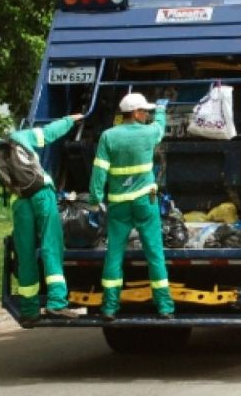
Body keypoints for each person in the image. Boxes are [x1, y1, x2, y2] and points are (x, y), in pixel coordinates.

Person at [0, 114, 84, 327]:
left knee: (25, 254)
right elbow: (50, 133)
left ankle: (30, 311)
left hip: (20, 203)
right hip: (42, 194)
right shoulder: (18, 137)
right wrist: (70, 120)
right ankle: (57, 302)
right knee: (51, 245)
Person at [89, 93, 174, 321]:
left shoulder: (108, 136)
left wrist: (95, 199)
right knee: (154, 253)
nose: (146, 115)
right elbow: (160, 127)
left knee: (114, 254)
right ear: (135, 113)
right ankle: (164, 307)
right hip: (145, 202)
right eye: (144, 111)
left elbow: (99, 170)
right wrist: (162, 110)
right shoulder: (148, 133)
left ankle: (109, 307)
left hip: (118, 206)